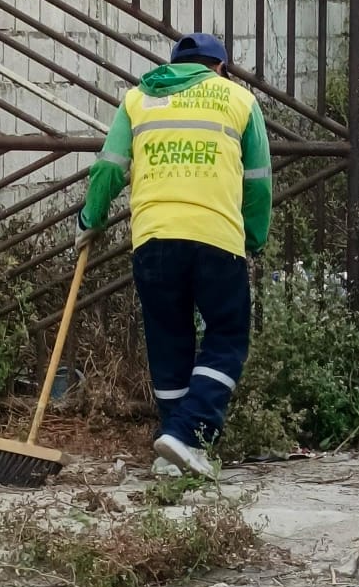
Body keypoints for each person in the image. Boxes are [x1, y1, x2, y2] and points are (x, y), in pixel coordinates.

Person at [77, 33, 272, 478]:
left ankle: (172, 452)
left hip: (154, 239)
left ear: (174, 66)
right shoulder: (239, 100)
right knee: (227, 337)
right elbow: (258, 181)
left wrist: (91, 219)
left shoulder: (138, 99)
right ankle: (187, 435)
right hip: (216, 238)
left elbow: (109, 167)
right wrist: (254, 238)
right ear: (219, 68)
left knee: (169, 342)